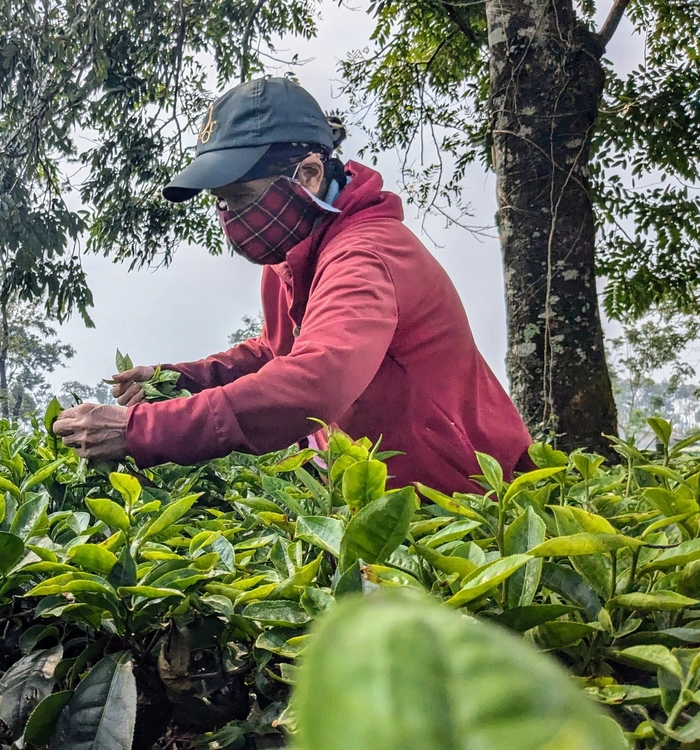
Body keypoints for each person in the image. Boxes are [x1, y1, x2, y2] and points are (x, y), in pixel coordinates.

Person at [51, 77, 532, 494]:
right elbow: (277, 350)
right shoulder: (292, 254)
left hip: (462, 503)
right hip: (374, 501)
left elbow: (315, 380)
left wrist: (141, 430)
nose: (228, 216)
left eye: (240, 195)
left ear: (308, 173)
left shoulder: (365, 255)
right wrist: (178, 379)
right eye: (220, 201)